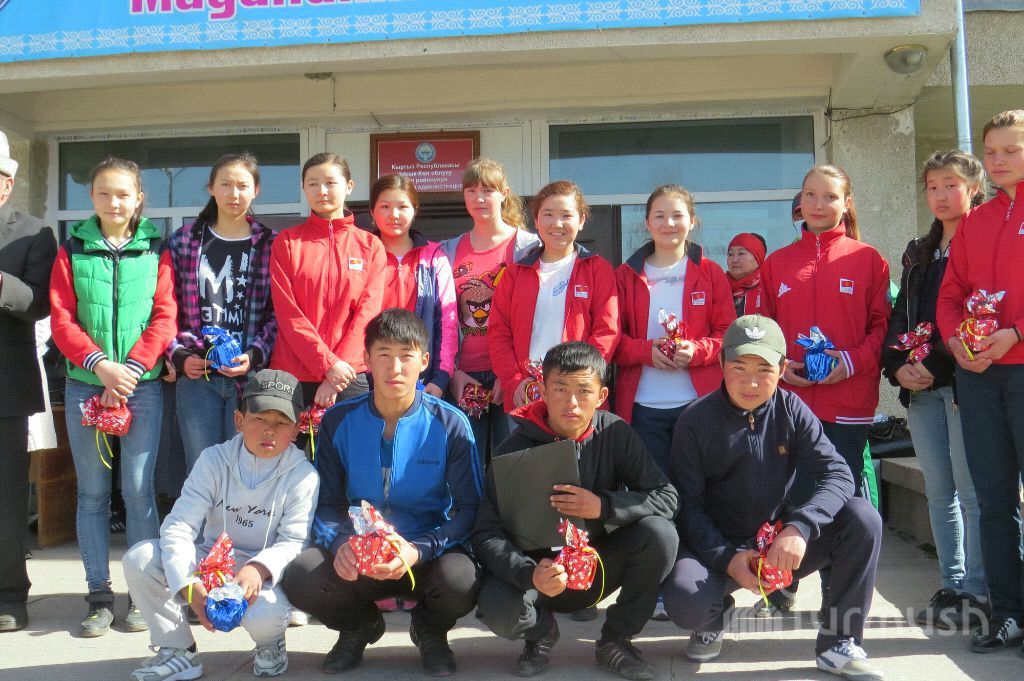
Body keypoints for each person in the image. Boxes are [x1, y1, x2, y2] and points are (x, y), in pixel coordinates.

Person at [663, 315, 884, 680]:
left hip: (775, 541)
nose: (751, 382)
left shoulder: (792, 410)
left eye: (764, 370)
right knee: (687, 603)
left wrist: (800, 527)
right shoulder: (694, 421)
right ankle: (714, 615)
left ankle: (839, 642)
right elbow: (687, 508)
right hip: (714, 546)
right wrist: (729, 559)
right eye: (739, 367)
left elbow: (838, 473)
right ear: (721, 363)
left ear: (782, 369)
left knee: (863, 519)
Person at [282, 309, 483, 676]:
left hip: (423, 553)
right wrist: (341, 544)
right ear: (367, 359)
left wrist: (419, 549)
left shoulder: (450, 423)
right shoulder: (339, 421)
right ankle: (359, 626)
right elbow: (324, 503)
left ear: (424, 361)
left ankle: (430, 630)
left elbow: (470, 509)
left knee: (462, 579)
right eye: (384, 354)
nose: (395, 368)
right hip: (359, 554)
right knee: (301, 573)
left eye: (406, 355)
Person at [472, 341, 679, 681]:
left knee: (660, 534)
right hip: (539, 574)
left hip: (598, 565)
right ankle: (540, 633)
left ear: (601, 395)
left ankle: (616, 640)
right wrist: (528, 573)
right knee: (496, 608)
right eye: (560, 389)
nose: (571, 402)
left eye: (584, 391)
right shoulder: (513, 448)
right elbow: (485, 532)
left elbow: (666, 497)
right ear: (541, 390)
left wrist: (605, 506)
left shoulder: (615, 433)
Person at [50, 157, 177, 637]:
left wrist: (131, 369)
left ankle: (142, 595)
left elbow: (165, 316)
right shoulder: (73, 249)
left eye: (123, 194)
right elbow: (62, 319)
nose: (114, 202)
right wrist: (100, 366)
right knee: (92, 494)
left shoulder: (156, 248)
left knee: (139, 492)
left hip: (141, 388)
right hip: (87, 384)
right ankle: (98, 596)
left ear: (139, 197)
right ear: (92, 197)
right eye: (104, 193)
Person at [122, 369, 319, 680]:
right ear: (239, 420)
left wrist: (258, 568)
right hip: (211, 562)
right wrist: (189, 585)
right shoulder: (213, 460)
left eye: (282, 422)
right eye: (259, 418)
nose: (269, 430)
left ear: (296, 430)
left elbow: (294, 541)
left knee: (265, 615)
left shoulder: (303, 475)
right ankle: (178, 650)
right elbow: (179, 526)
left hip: (263, 575)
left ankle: (270, 643)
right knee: (140, 558)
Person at [758, 165, 890, 615]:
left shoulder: (869, 260)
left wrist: (849, 362)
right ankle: (781, 584)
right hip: (789, 403)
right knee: (785, 496)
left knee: (842, 504)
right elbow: (761, 328)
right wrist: (779, 367)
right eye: (810, 195)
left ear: (846, 203)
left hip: (847, 405)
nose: (818, 204)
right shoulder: (776, 263)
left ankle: (838, 596)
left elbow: (883, 330)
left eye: (829, 196)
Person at [882, 150, 988, 629]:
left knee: (971, 492)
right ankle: (953, 584)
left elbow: (979, 313)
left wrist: (935, 363)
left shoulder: (983, 241)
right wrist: (897, 365)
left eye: (951, 185)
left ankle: (980, 591)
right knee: (939, 492)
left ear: (972, 189)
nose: (941, 195)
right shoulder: (918, 251)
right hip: (919, 389)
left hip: (964, 384)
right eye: (932, 186)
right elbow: (900, 315)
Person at [937, 109, 1024, 654]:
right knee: (993, 500)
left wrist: (1017, 332)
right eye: (990, 152)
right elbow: (950, 294)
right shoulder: (976, 220)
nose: (998, 160)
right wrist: (956, 342)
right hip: (980, 378)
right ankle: (1009, 613)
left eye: (1010, 150)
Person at [168, 152, 278, 473]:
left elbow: (278, 313)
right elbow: (165, 306)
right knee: (202, 471)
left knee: (246, 469)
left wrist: (255, 355)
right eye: (225, 184)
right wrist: (177, 355)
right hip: (197, 377)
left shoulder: (270, 244)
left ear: (256, 190)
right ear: (211, 188)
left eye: (243, 186)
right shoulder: (184, 241)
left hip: (249, 378)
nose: (234, 193)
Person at [615, 184, 736, 473]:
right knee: (653, 490)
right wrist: (645, 352)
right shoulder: (624, 276)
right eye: (659, 216)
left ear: (692, 221)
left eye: (677, 215)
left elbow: (728, 335)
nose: (668, 223)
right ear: (647, 223)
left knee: (698, 487)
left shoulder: (710, 273)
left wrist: (696, 350)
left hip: (699, 404)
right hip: (642, 407)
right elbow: (611, 339)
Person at [488, 180, 619, 416]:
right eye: (548, 214)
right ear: (536, 220)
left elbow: (607, 331)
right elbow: (499, 333)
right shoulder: (514, 274)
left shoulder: (597, 270)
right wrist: (514, 381)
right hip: (525, 396)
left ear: (581, 220)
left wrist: (580, 379)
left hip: (577, 398)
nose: (557, 223)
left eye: (566, 215)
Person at [269, 152, 386, 415]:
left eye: (330, 183)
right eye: (313, 183)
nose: (321, 191)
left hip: (349, 374)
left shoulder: (370, 246)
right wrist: (326, 364)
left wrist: (336, 370)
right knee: (291, 444)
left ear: (349, 186)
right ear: (303, 188)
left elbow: (368, 314)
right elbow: (288, 314)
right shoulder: (287, 243)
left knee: (348, 442)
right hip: (293, 374)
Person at [441, 158, 539, 463]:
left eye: (488, 190)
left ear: (504, 193)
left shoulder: (529, 247)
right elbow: (442, 318)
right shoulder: (447, 250)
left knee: (513, 466)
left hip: (513, 374)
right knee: (464, 465)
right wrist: (453, 373)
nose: (479, 198)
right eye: (471, 190)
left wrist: (510, 374)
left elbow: (537, 316)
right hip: (463, 376)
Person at [0, 130, 57, 633]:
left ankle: (10, 594)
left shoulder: (35, 234)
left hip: (5, 387)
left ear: (8, 183)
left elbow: (40, 304)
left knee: (6, 497)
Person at [369, 173, 457, 397]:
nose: (394, 214)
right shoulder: (362, 254)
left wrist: (441, 377)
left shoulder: (434, 257)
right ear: (372, 211)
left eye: (402, 206)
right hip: (370, 375)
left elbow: (447, 322)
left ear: (415, 210)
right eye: (385, 206)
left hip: (422, 379)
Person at [726, 232, 767, 316]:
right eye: (730, 254)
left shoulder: (768, 288)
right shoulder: (718, 286)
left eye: (741, 253)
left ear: (757, 259)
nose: (734, 260)